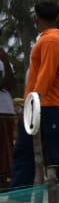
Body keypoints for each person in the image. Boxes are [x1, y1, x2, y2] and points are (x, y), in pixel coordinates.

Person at [11, 1, 59, 194]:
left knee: (56, 154)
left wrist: (33, 104)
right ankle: (18, 196)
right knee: (25, 150)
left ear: (36, 17)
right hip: (42, 104)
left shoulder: (51, 40)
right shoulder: (48, 38)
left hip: (48, 105)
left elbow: (47, 74)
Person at [0, 46, 16, 189]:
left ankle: (5, 179)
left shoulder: (5, 63)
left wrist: (5, 61)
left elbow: (10, 84)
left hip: (5, 110)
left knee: (6, 148)